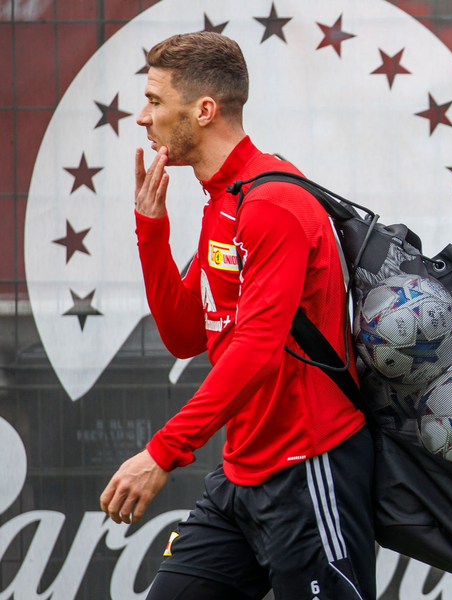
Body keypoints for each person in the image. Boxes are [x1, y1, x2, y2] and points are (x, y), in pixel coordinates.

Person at [98, 31, 375, 600]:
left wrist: (162, 451)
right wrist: (151, 231)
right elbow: (185, 336)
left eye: (154, 101)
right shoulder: (224, 197)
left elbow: (258, 348)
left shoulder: (272, 202)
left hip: (308, 470)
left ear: (203, 111)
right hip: (240, 474)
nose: (142, 118)